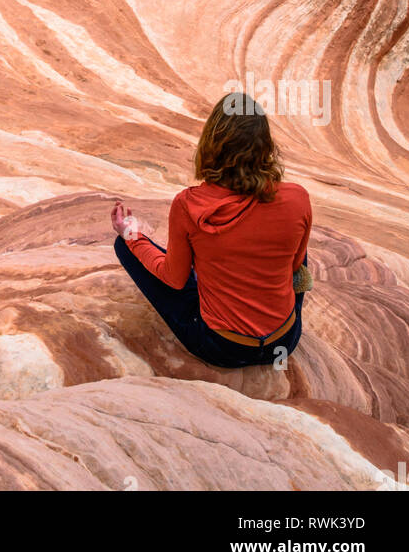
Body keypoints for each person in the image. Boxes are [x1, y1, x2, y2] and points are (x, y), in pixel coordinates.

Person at [111, 93, 312, 369]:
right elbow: (295, 267)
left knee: (127, 245)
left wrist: (131, 234)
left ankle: (130, 237)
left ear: (212, 144)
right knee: (296, 244)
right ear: (266, 147)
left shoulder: (188, 205)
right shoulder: (297, 198)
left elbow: (173, 279)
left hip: (222, 348)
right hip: (284, 341)